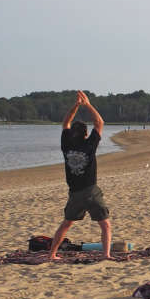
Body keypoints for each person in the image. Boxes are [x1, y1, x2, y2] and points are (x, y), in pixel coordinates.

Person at [49, 90, 112, 260]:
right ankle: (106, 255)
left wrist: (76, 105)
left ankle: (52, 254)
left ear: (71, 134)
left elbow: (65, 122)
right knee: (105, 224)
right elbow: (99, 122)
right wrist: (87, 104)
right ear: (85, 134)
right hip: (91, 191)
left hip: (75, 193)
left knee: (67, 224)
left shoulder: (66, 144)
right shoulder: (89, 144)